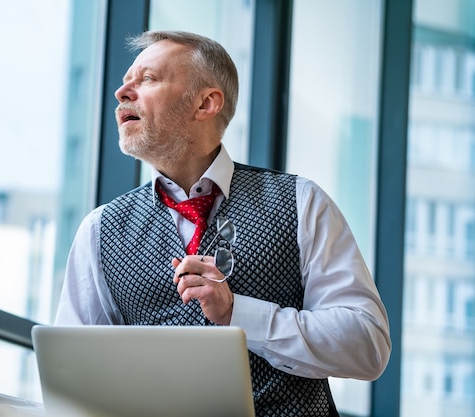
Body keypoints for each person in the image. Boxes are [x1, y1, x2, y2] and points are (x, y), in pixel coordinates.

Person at [55, 30, 391, 417]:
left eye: (147, 79)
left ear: (206, 103)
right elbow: (74, 379)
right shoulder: (100, 230)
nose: (122, 92)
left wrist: (238, 314)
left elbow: (367, 346)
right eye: (127, 80)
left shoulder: (301, 203)